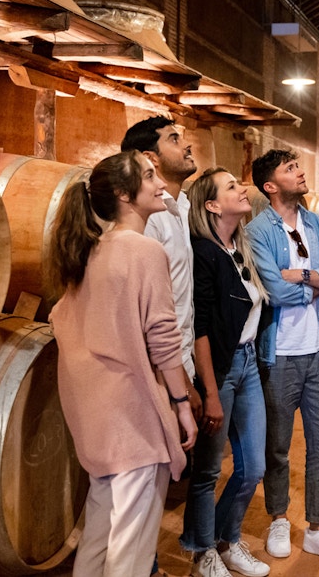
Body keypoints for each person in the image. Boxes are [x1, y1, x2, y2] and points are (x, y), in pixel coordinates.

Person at [48, 150, 198, 577]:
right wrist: (182, 405)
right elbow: (164, 340)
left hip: (94, 417)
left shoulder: (90, 251)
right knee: (129, 557)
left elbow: (62, 318)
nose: (159, 182)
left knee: (98, 538)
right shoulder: (144, 251)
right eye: (149, 175)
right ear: (123, 194)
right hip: (131, 417)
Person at [245, 149, 319, 566]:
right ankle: (278, 518)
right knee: (277, 446)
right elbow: (273, 290)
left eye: (298, 165)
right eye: (290, 168)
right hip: (278, 356)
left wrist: (304, 275)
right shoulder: (257, 231)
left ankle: (317, 528)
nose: (301, 172)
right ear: (270, 185)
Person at [122, 116, 203, 577]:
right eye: (175, 139)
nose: (186, 144)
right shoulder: (149, 218)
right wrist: (173, 382)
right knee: (144, 481)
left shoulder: (178, 206)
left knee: (155, 480)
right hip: (156, 369)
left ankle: (146, 567)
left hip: (175, 361)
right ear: (150, 158)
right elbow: (150, 311)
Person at [180, 167, 271, 577]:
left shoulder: (240, 248)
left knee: (254, 466)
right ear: (213, 205)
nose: (243, 189)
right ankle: (204, 552)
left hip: (248, 362)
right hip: (221, 367)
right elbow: (199, 328)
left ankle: (225, 538)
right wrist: (211, 391)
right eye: (232, 186)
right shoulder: (204, 253)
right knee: (208, 469)